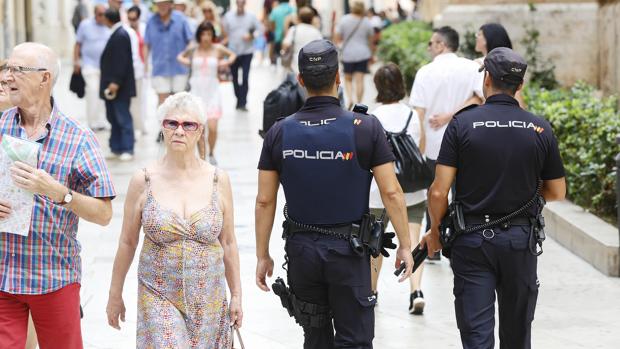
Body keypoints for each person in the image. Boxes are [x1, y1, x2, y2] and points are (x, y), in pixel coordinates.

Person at [255, 39, 414, 348]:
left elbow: (265, 200)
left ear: (300, 80)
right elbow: (392, 192)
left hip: (302, 251)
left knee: (315, 337)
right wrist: (406, 245)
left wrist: (263, 254)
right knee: (355, 339)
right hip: (349, 252)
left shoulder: (280, 131)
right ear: (338, 77)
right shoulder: (365, 127)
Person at [420, 47, 566, 349]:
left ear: (486, 79)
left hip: (472, 241)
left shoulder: (462, 124)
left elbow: (438, 191)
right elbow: (557, 191)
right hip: (519, 241)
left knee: (476, 335)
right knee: (517, 336)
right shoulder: (539, 128)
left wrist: (435, 233)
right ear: (520, 85)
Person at [0, 42, 115, 349]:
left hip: (52, 276)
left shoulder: (78, 139)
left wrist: (59, 193)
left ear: (44, 78)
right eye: (6, 69)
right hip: (2, 276)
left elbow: (104, 213)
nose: (7, 76)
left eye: (16, 70)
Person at [106, 92, 242, 348]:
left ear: (200, 130)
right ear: (163, 128)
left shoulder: (218, 179)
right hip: (157, 293)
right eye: (172, 124)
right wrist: (115, 294)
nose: (179, 131)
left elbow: (229, 242)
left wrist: (236, 296)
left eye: (188, 125)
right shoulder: (143, 180)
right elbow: (127, 241)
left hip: (208, 296)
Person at [409, 26, 483, 259]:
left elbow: (418, 114)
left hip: (434, 144)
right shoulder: (473, 68)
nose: (429, 48)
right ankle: (462, 240)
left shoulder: (425, 72)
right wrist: (453, 115)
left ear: (441, 45)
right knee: (463, 194)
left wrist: (417, 147)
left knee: (436, 193)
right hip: (468, 142)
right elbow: (480, 97)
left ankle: (434, 245)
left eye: (431, 43)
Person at [368, 63, 427, 315]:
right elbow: (420, 149)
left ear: (378, 87)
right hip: (411, 190)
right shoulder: (413, 115)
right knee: (413, 239)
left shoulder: (372, 118)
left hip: (377, 191)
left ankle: (371, 292)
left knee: (375, 243)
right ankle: (416, 291)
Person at [177, 22, 236, 165]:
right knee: (199, 128)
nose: (206, 37)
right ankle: (202, 159)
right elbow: (180, 56)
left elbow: (232, 55)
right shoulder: (194, 49)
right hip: (196, 90)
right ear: (199, 35)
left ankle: (211, 152)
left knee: (213, 127)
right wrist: (187, 62)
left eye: (209, 34)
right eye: (203, 34)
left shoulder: (217, 49)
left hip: (212, 90)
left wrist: (225, 63)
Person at [100, 8, 137, 161]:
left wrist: (115, 82)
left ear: (108, 19)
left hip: (118, 86)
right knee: (113, 117)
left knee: (122, 117)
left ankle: (127, 147)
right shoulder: (116, 33)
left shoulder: (121, 35)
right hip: (111, 84)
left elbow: (121, 61)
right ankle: (116, 147)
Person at [145, 0, 193, 107]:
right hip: (159, 67)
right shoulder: (151, 21)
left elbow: (190, 41)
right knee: (163, 103)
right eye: (159, 4)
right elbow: (147, 45)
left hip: (179, 67)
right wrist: (145, 66)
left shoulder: (180, 18)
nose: (161, 6)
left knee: (180, 101)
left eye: (164, 3)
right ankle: (163, 124)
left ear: (170, 4)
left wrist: (185, 57)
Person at [74, 4, 111, 131]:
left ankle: (101, 120)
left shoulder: (108, 25)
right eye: (100, 14)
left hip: (105, 66)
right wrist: (76, 62)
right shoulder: (85, 25)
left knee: (103, 94)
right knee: (93, 91)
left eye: (104, 14)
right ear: (95, 14)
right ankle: (92, 122)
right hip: (89, 65)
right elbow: (77, 44)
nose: (102, 17)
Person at [475, 22, 526, 108]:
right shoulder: (512, 63)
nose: (476, 38)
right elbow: (519, 101)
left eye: (479, 35)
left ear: (488, 38)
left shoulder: (477, 64)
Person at [222, 0, 261, 111]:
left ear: (245, 3)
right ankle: (239, 99)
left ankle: (243, 102)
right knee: (234, 78)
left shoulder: (251, 16)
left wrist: (252, 36)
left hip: (247, 51)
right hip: (233, 52)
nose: (240, 4)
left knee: (245, 77)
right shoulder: (228, 17)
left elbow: (259, 30)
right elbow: (224, 32)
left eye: (242, 2)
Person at [335, 1, 375, 109]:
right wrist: (372, 54)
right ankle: (359, 103)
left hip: (348, 53)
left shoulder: (344, 20)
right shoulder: (367, 22)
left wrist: (340, 46)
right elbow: (371, 41)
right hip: (363, 53)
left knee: (348, 79)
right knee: (360, 80)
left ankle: (350, 98)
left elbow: (337, 37)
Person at [281, 7, 323, 75]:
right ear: (312, 19)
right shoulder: (316, 31)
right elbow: (321, 48)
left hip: (296, 63)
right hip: (311, 64)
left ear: (299, 18)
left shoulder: (294, 30)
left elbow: (286, 44)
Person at [127, 5, 148, 137]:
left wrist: (147, 66)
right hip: (132, 71)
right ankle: (135, 126)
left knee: (143, 99)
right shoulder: (126, 31)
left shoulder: (145, 29)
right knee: (133, 101)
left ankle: (142, 124)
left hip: (143, 69)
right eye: (130, 18)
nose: (132, 21)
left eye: (134, 18)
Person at [268, 0, 294, 65]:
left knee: (279, 58)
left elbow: (271, 24)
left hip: (278, 38)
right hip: (291, 38)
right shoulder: (293, 9)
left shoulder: (275, 10)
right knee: (290, 58)